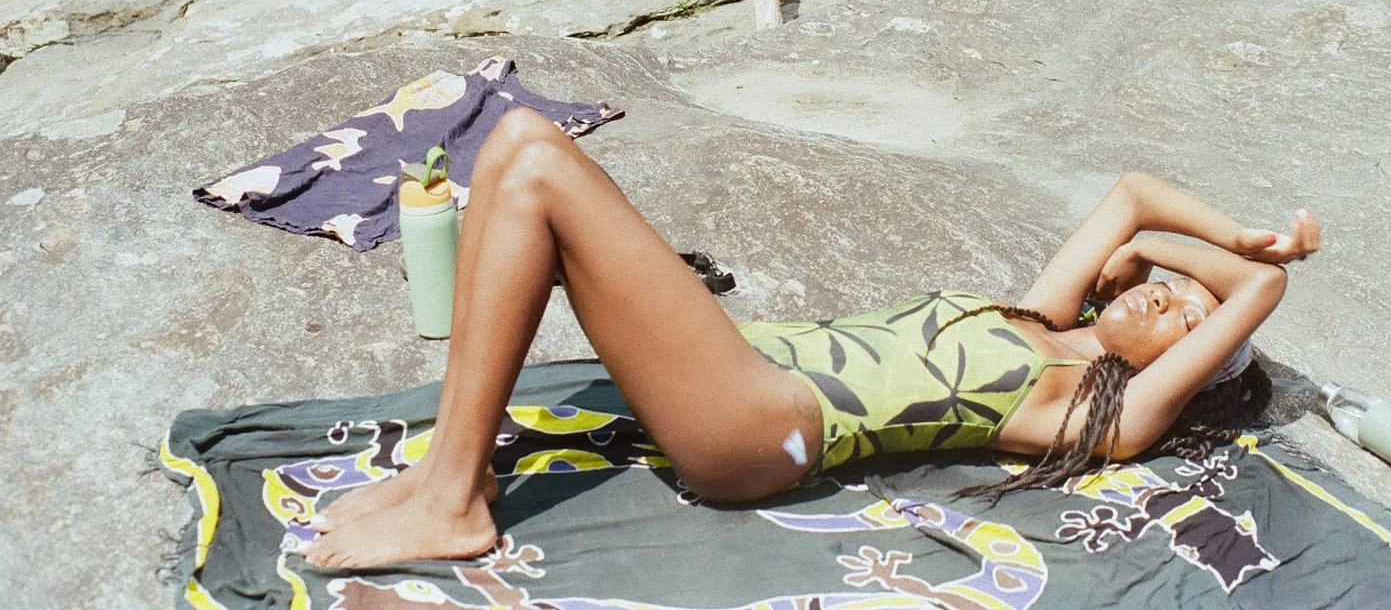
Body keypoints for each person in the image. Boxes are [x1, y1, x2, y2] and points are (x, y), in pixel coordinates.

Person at [302, 108, 1318, 569]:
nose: (1165, 301)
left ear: (1176, 377)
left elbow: (1258, 285)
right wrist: (1218, 232)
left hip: (764, 429)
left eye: (1185, 324)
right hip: (744, 373)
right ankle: (454, 463)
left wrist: (1244, 260)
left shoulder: (1100, 412)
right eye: (1168, 291)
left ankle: (450, 500)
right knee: (517, 141)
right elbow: (1132, 196)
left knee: (534, 158)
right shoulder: (1039, 318)